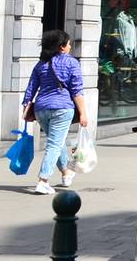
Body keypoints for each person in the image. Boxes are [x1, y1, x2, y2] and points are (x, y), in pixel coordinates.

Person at [20, 30, 87, 195]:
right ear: (62, 47)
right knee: (55, 144)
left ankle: (66, 173)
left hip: (41, 109)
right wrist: (84, 113)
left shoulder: (41, 64)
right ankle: (43, 180)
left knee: (57, 141)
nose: (70, 46)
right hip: (62, 108)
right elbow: (77, 91)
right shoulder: (71, 63)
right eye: (69, 44)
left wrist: (25, 107)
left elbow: (31, 88)